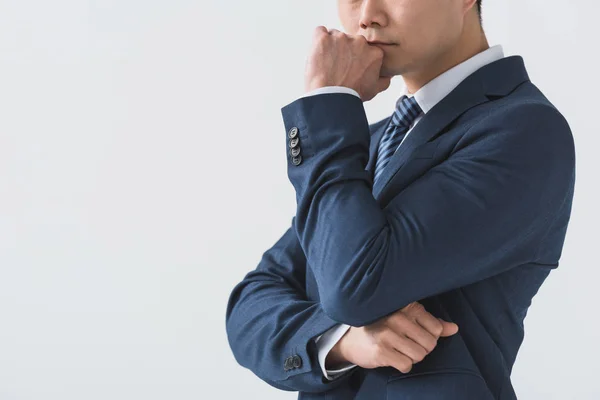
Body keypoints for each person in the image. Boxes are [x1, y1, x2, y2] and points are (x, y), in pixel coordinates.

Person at [225, 0, 576, 398]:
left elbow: (355, 286)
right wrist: (342, 342)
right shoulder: (363, 142)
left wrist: (326, 99)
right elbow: (250, 303)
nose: (367, 15)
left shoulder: (523, 131)